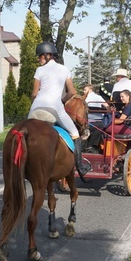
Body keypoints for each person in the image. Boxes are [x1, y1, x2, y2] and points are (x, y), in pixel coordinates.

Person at [30, 42, 88, 175]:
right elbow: (72, 92)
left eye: (40, 56)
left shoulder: (39, 70)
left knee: (24, 132)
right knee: (75, 133)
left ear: (47, 55)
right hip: (55, 108)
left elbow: (34, 93)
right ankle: (80, 166)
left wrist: (36, 102)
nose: (39, 59)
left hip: (36, 107)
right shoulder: (64, 69)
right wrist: (63, 100)